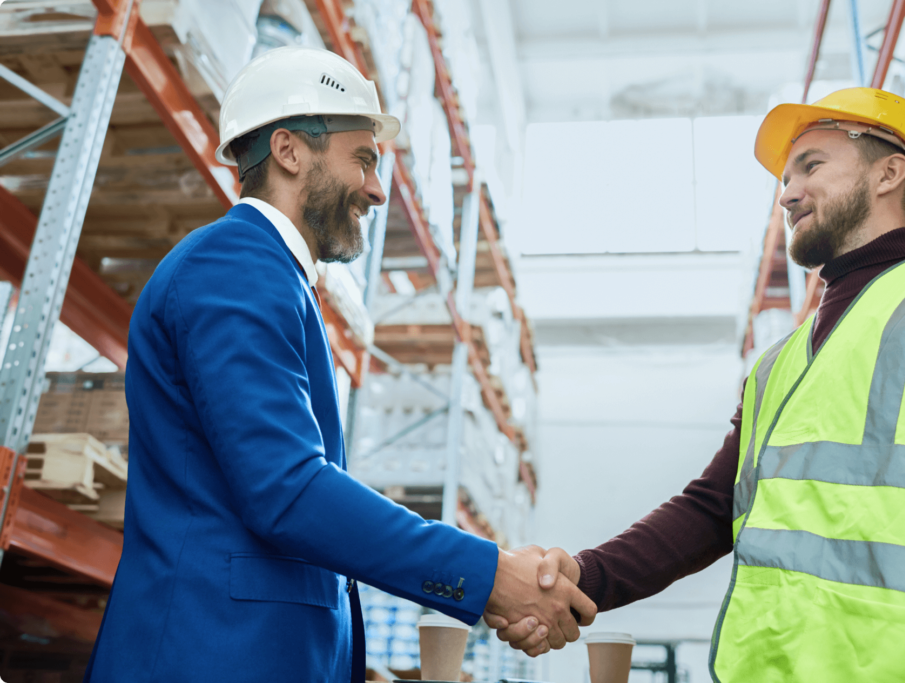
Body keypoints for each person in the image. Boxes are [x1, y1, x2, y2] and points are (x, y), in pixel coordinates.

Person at [83, 46, 595, 682]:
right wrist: (489, 575)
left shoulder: (269, 276)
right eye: (363, 159)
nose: (377, 190)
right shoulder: (234, 269)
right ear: (290, 151)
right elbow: (289, 493)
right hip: (209, 653)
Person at [492, 88, 905, 682]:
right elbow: (713, 508)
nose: (788, 193)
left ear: (889, 173)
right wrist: (582, 577)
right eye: (784, 179)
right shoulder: (781, 363)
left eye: (812, 166)